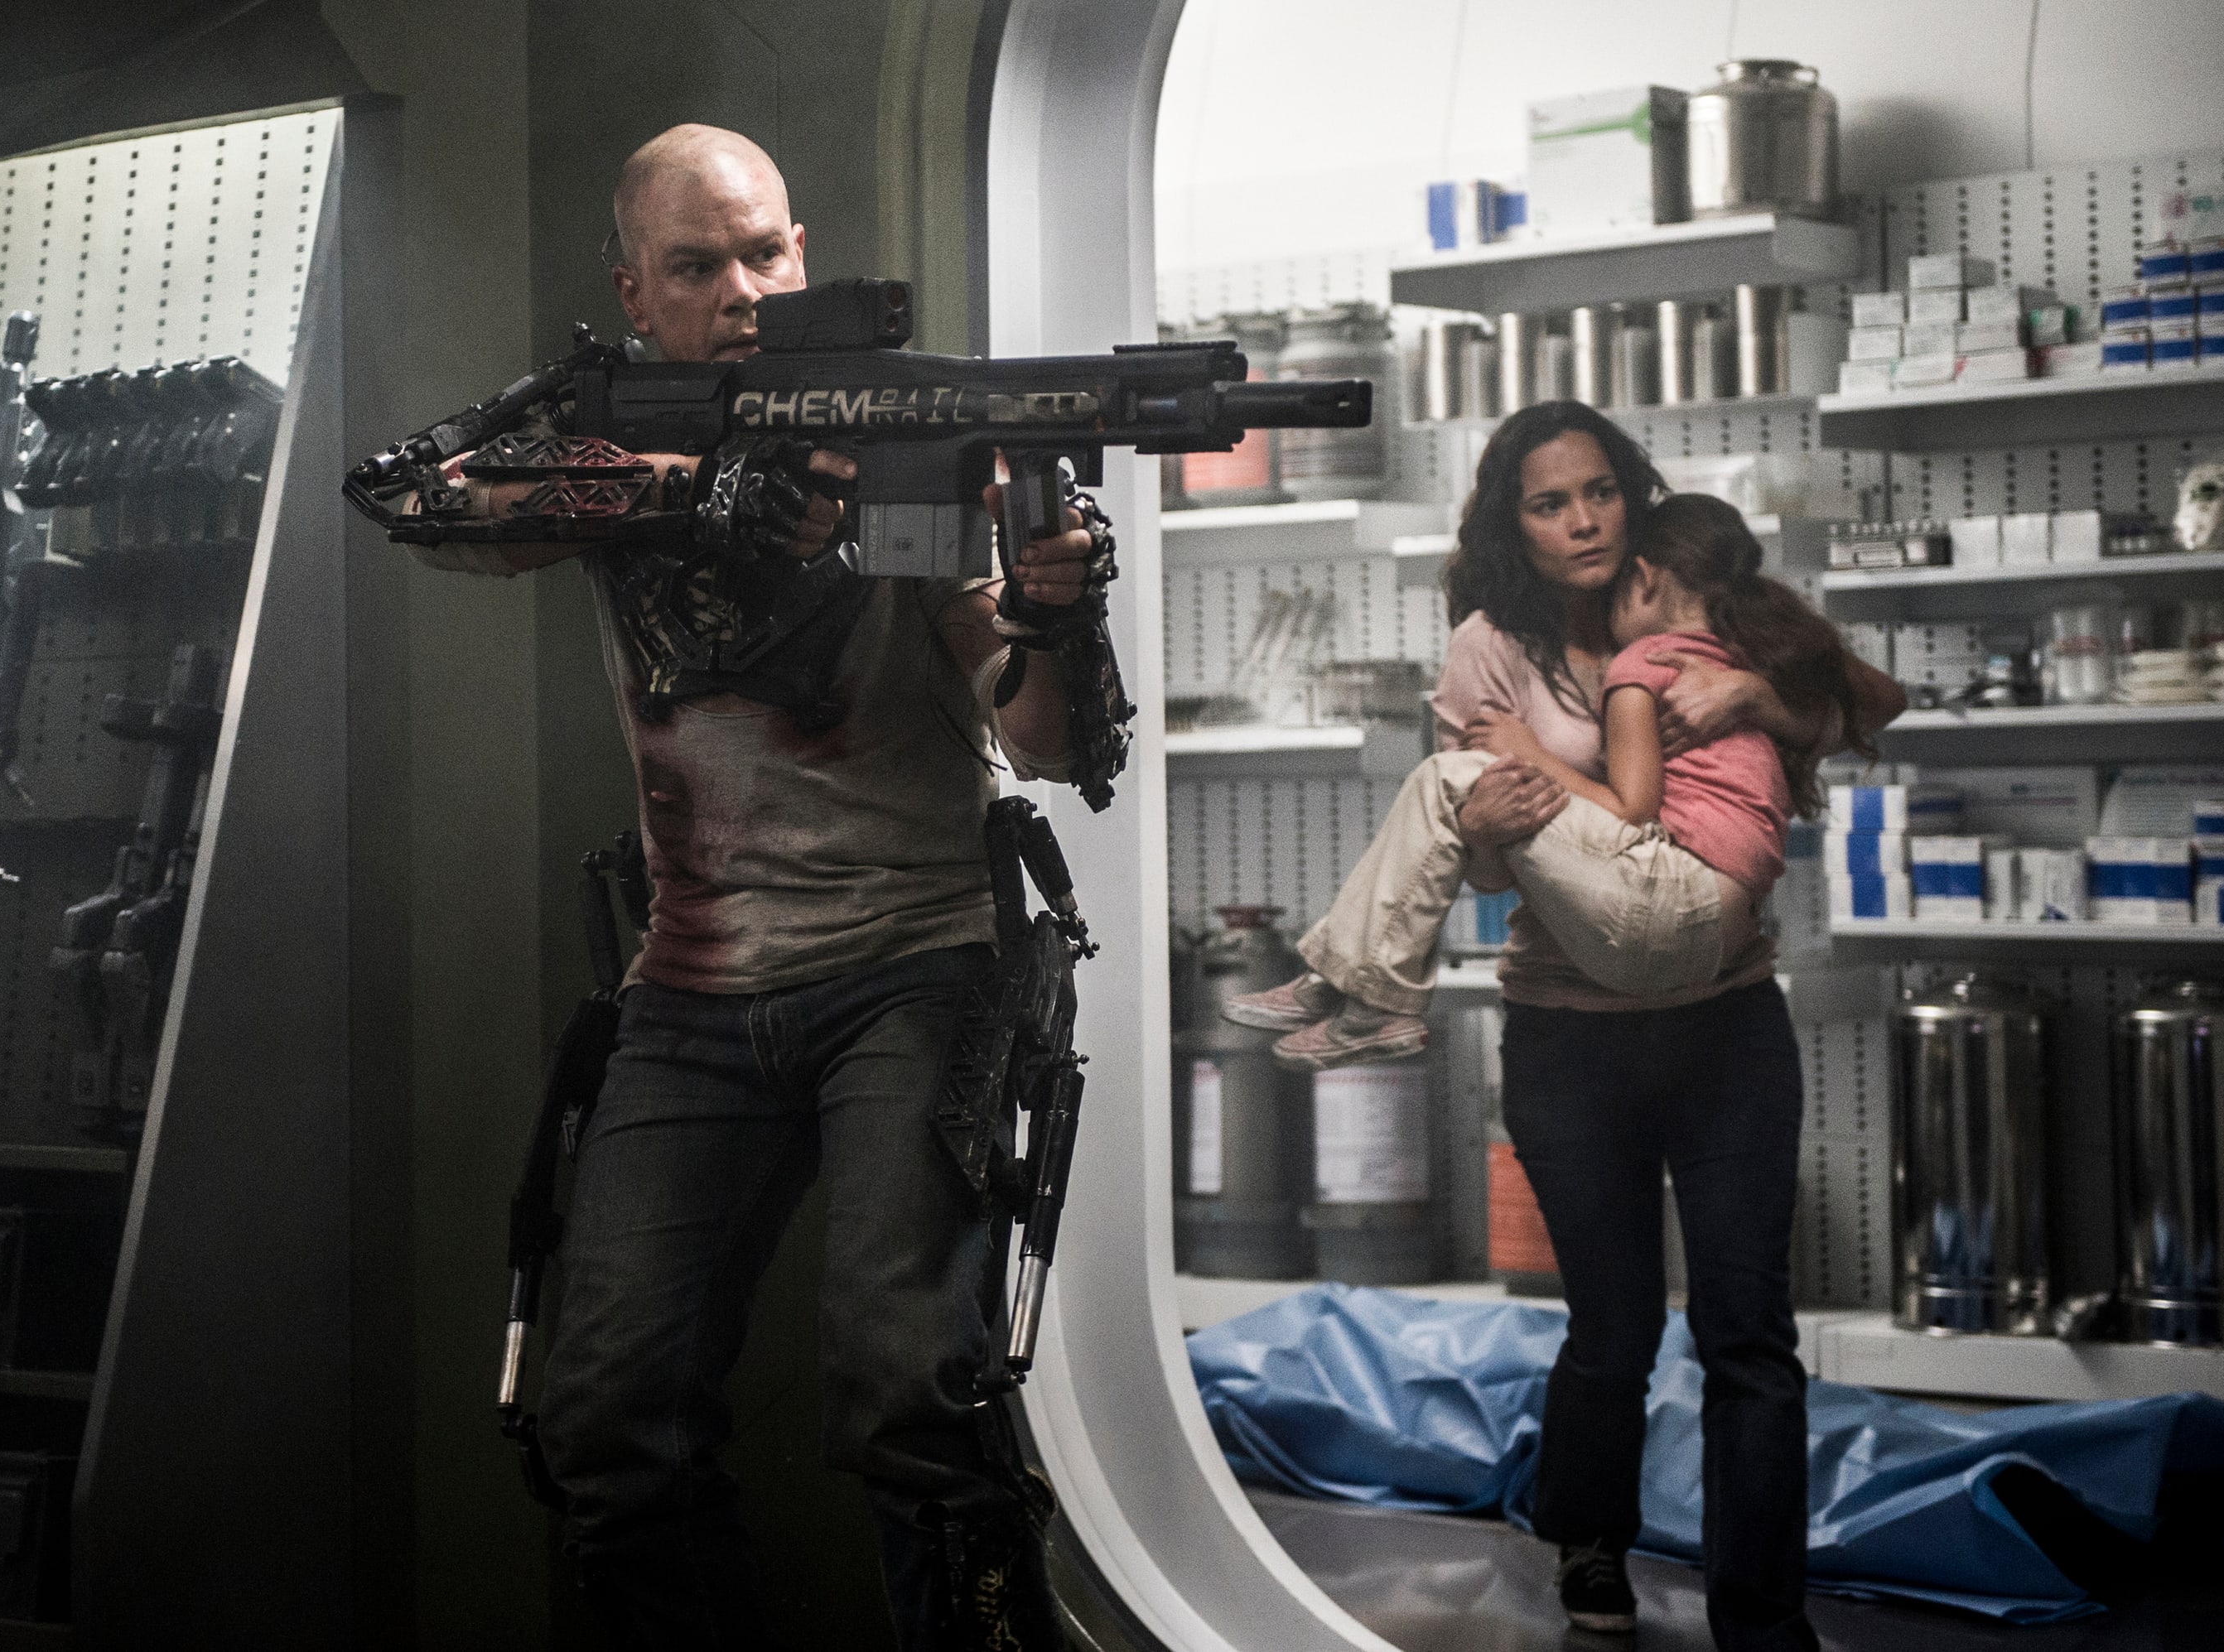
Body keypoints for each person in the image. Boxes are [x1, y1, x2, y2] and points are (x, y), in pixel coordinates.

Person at [401, 124, 1109, 1650]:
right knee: (605, 1415)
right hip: (694, 988)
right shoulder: (616, 447)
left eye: (764, 253)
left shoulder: (898, 437)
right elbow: (418, 499)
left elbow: (1041, 738)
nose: (739, 291)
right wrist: (707, 492)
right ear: (631, 294)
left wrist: (1055, 616)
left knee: (913, 1386)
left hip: (913, 965)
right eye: (695, 265)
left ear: (804, 253)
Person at [1251, 400, 1898, 1651]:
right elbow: (1491, 870)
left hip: (1723, 1022)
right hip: (1568, 1030)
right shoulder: (1486, 651)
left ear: (1630, 494)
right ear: (1514, 524)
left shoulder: (1691, 594)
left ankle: (1762, 1617)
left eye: (1598, 491)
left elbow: (1863, 705)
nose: (1583, 521)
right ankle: (1589, 1545)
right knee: (1612, 1324)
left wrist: (1757, 693)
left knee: (1748, 1334)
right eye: (1549, 504)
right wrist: (1491, 824)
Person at [1228, 491, 1873, 1067]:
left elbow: (1632, 811)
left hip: (1672, 909)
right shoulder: (1755, 652)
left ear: (1642, 578)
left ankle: (1362, 990)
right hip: (1710, 941)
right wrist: (1760, 693)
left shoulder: (1642, 663)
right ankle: (1356, 985)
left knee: (1449, 774)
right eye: (1549, 505)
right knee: (1457, 782)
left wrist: (1531, 754)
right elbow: (1878, 700)